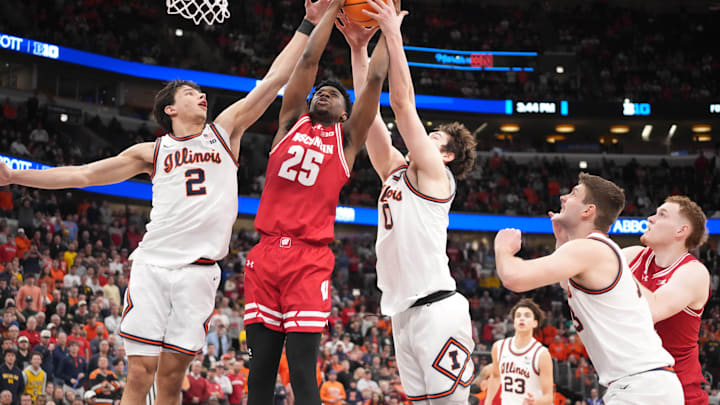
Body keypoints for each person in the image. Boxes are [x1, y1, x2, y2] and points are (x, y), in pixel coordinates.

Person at [0, 0, 332, 403]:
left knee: (173, 378)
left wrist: (307, 23)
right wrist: (16, 175)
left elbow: (273, 79)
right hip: (154, 264)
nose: (203, 96)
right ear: (171, 108)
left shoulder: (225, 131)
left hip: (199, 272)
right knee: (140, 373)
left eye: (202, 92)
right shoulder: (150, 152)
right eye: (192, 93)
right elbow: (84, 174)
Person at [242, 0, 388, 403]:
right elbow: (308, 58)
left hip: (308, 260)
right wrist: (333, 6)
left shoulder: (347, 141)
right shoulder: (290, 123)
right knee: (259, 376)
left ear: (345, 114)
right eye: (320, 92)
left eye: (334, 94)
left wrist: (391, 29)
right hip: (265, 254)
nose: (324, 93)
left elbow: (374, 79)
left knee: (303, 376)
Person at [355, 1, 477, 402]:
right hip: (403, 314)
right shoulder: (394, 171)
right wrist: (358, 50)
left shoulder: (436, 177)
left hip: (438, 311)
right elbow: (368, 118)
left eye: (434, 140)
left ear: (446, 156)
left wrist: (392, 33)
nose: (423, 141)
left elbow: (403, 105)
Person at [493, 173, 682, 404]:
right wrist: (563, 240)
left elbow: (514, 278)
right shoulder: (594, 251)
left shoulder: (591, 250)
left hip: (642, 387)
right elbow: (567, 282)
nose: (563, 197)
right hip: (643, 384)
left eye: (573, 193)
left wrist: (503, 249)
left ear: (588, 211)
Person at [623, 196, 711, 405]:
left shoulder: (693, 271)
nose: (650, 218)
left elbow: (652, 309)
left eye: (661, 214)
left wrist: (612, 270)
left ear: (681, 231)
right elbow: (570, 281)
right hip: (633, 388)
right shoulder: (633, 256)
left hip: (679, 393)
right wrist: (567, 237)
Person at [485, 299, 553, 404]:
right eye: (518, 315)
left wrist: (534, 402)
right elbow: (495, 376)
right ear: (514, 321)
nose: (522, 318)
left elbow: (548, 397)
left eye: (527, 316)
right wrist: (488, 402)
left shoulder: (541, 354)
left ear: (535, 323)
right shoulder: (499, 347)